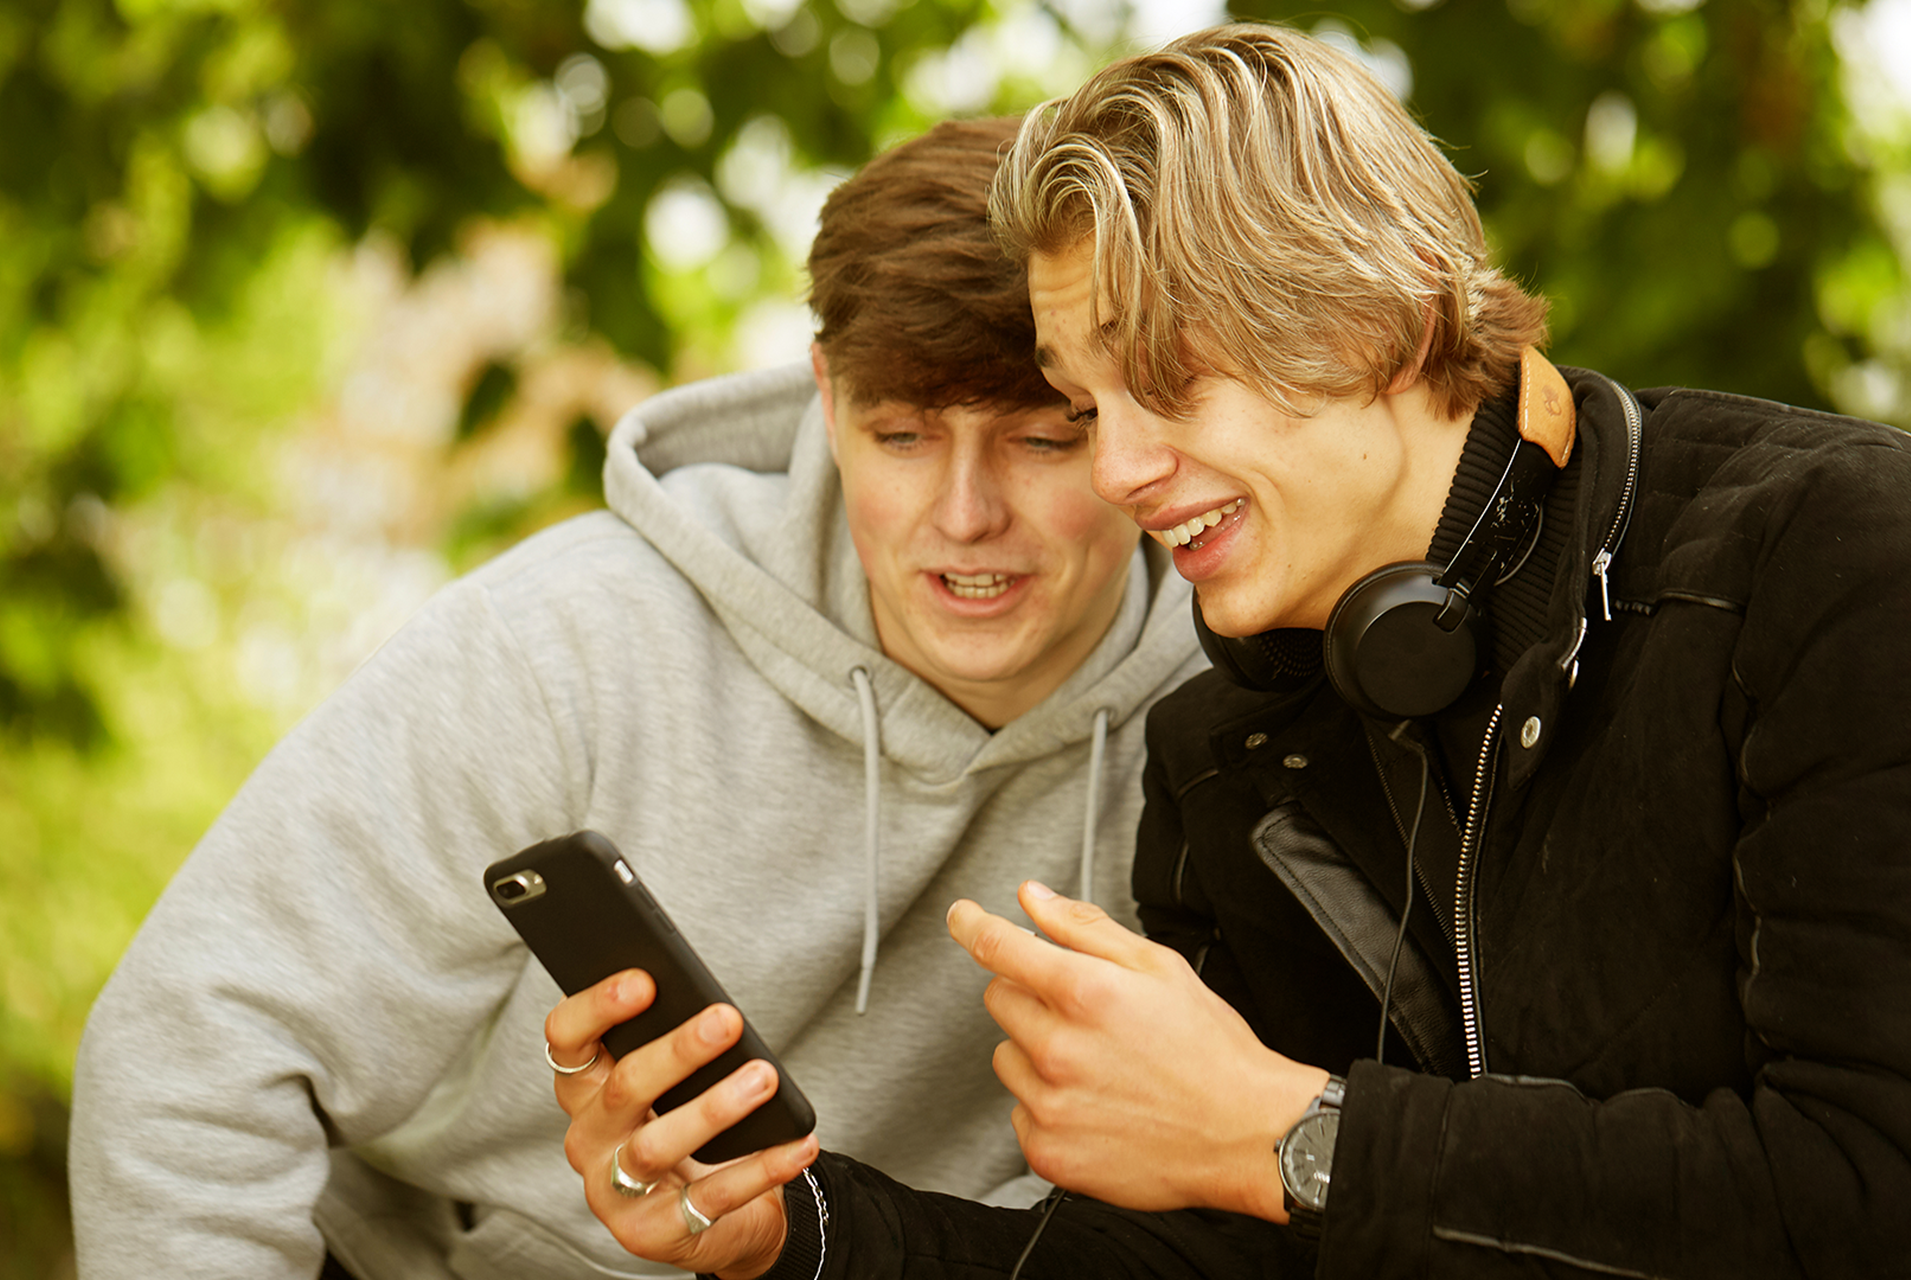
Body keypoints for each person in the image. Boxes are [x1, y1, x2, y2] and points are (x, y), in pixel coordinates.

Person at [542, 22, 1911, 1280]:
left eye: (1168, 383)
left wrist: (1293, 1133)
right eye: (1087, 406)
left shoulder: (1836, 557)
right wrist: (796, 1230)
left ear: (1377, 316)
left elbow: (1872, 1193)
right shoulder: (1229, 751)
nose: (1123, 469)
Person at [66, 117, 1208, 1280]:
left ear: (1133, 415)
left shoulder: (1236, 720)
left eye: (1039, 437)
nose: (964, 514)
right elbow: (196, 1043)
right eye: (901, 435)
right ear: (825, 393)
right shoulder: (567, 646)